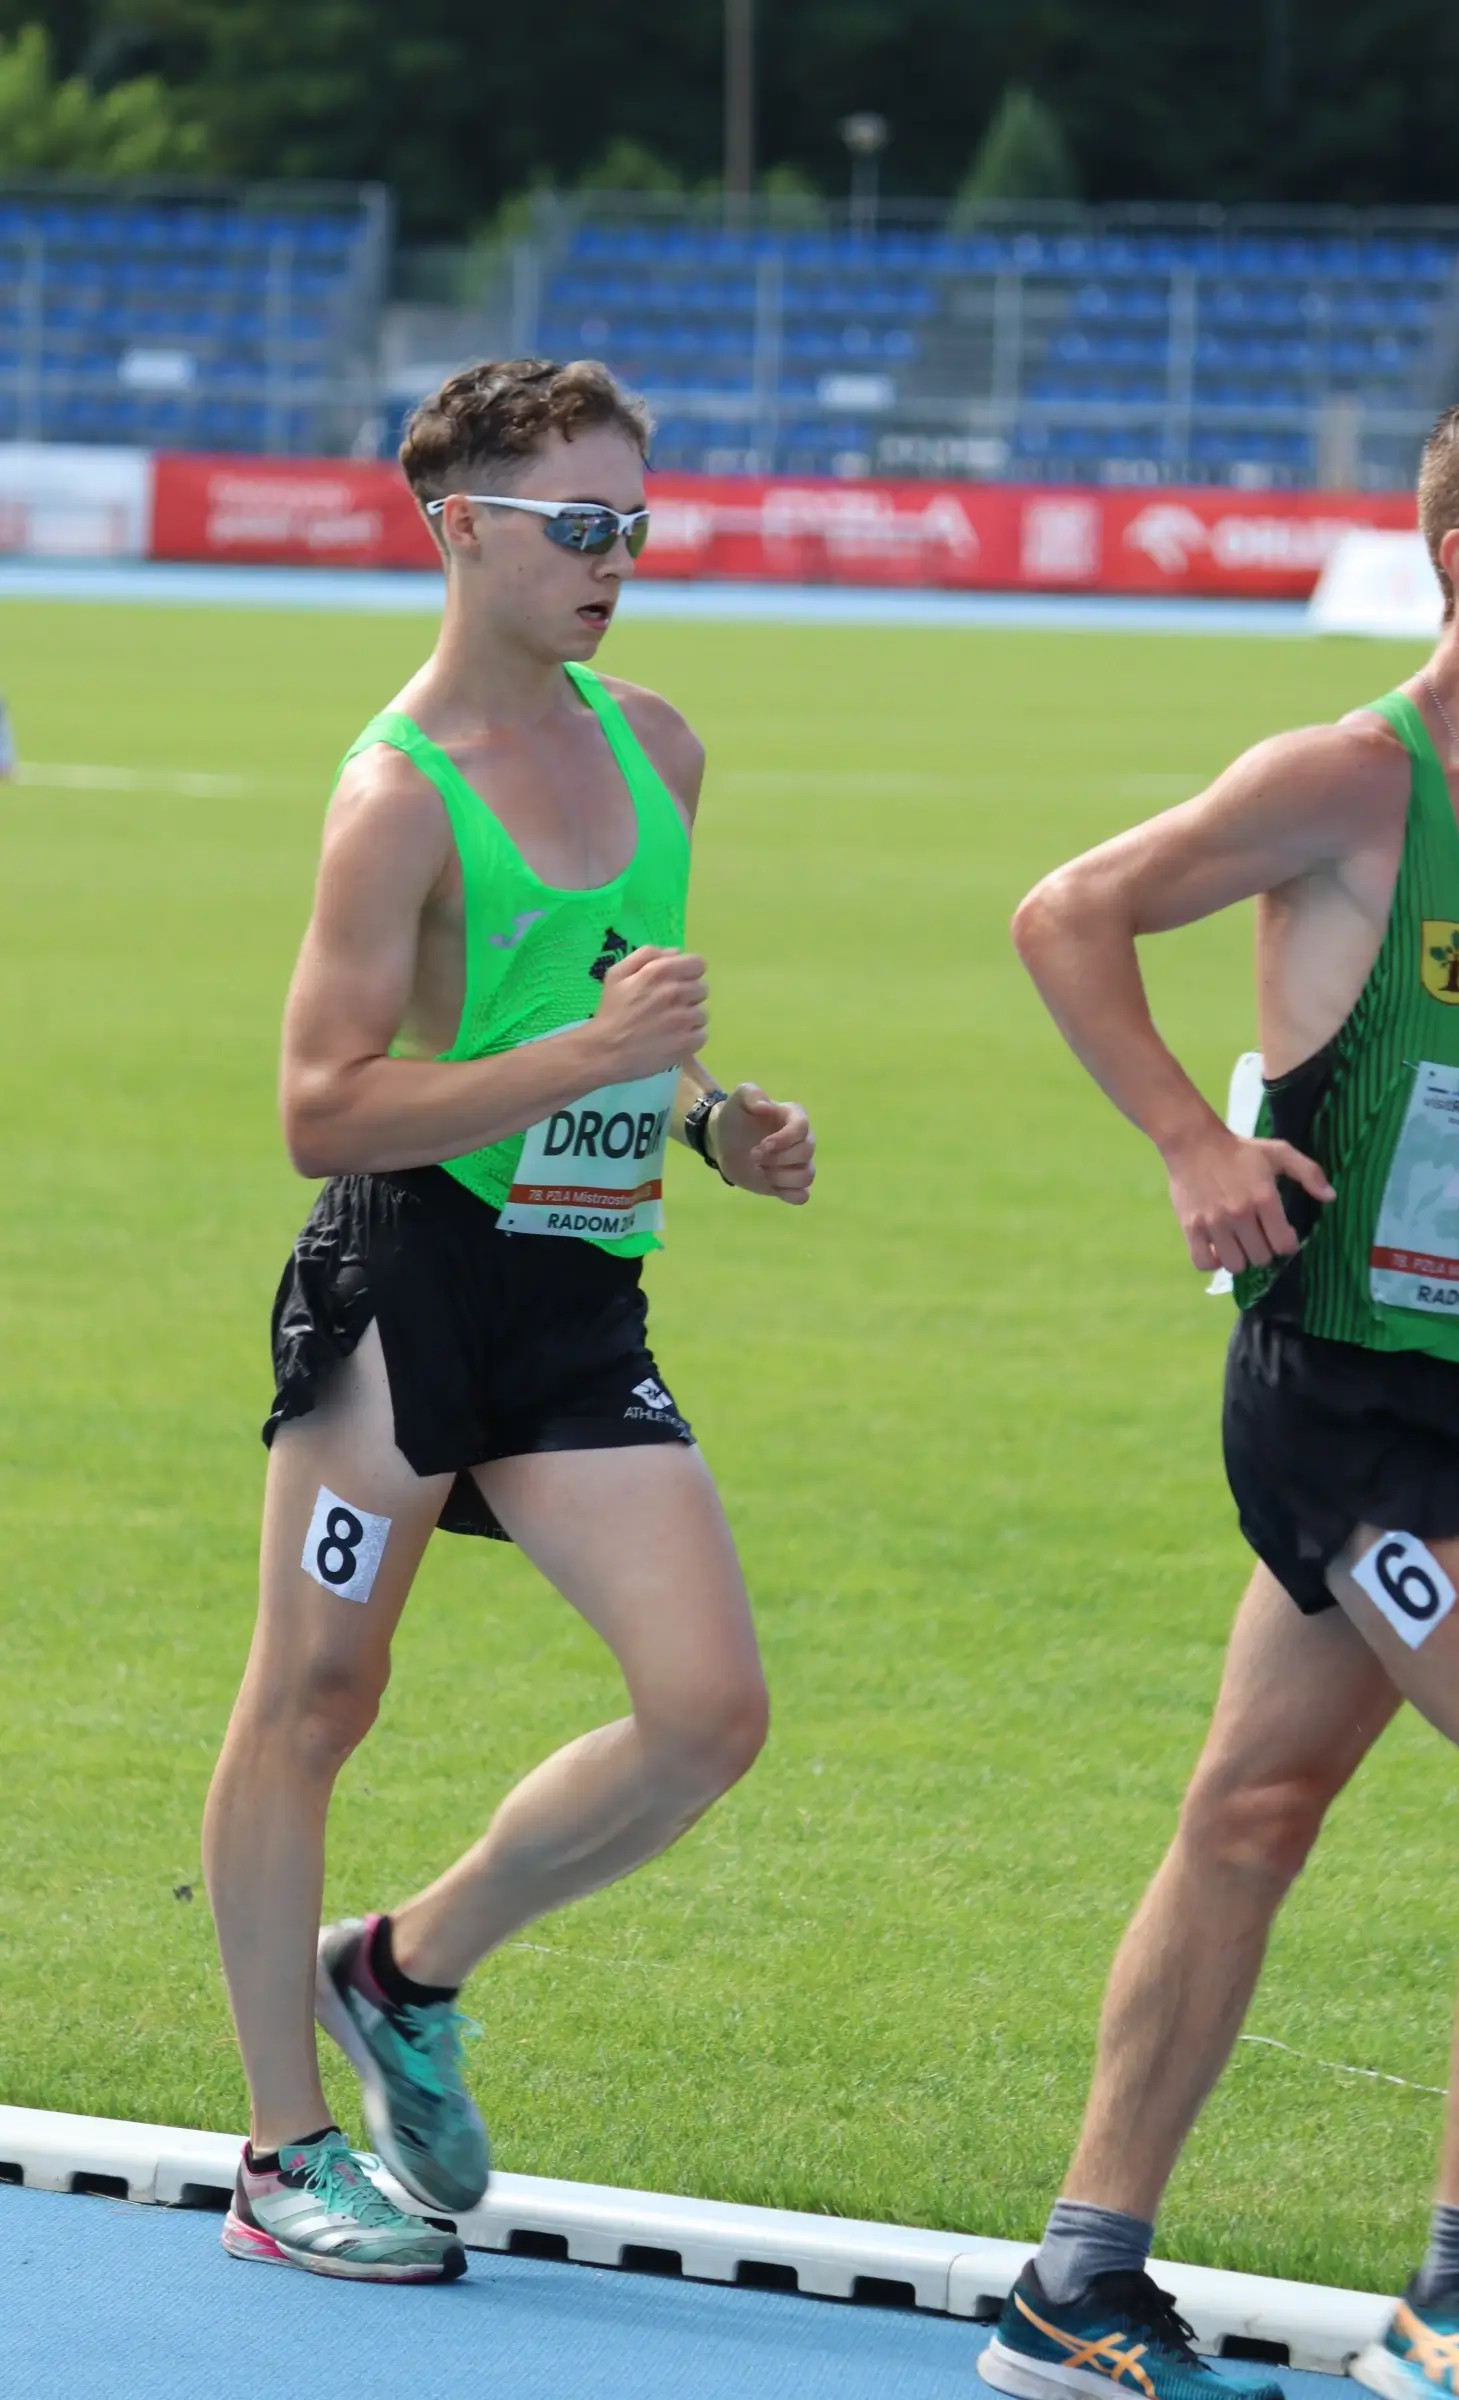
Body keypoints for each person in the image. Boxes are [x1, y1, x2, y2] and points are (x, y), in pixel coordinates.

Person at [982, 383, 1459, 2400]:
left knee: (1249, 1813)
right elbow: (1065, 912)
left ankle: (1075, 2284)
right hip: (1341, 1404)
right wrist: (1185, 1138)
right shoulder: (1352, 782)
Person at [203, 357, 815, 2283]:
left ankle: (405, 1964)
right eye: (579, 524)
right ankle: (280, 2153)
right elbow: (323, 1104)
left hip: (576, 1288)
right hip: (409, 1282)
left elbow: (619, 1004)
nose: (617, 558)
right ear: (459, 527)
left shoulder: (660, 749)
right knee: (316, 1697)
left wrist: (713, 1114)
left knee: (708, 1711)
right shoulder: (398, 796)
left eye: (636, 521)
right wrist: (587, 1058)